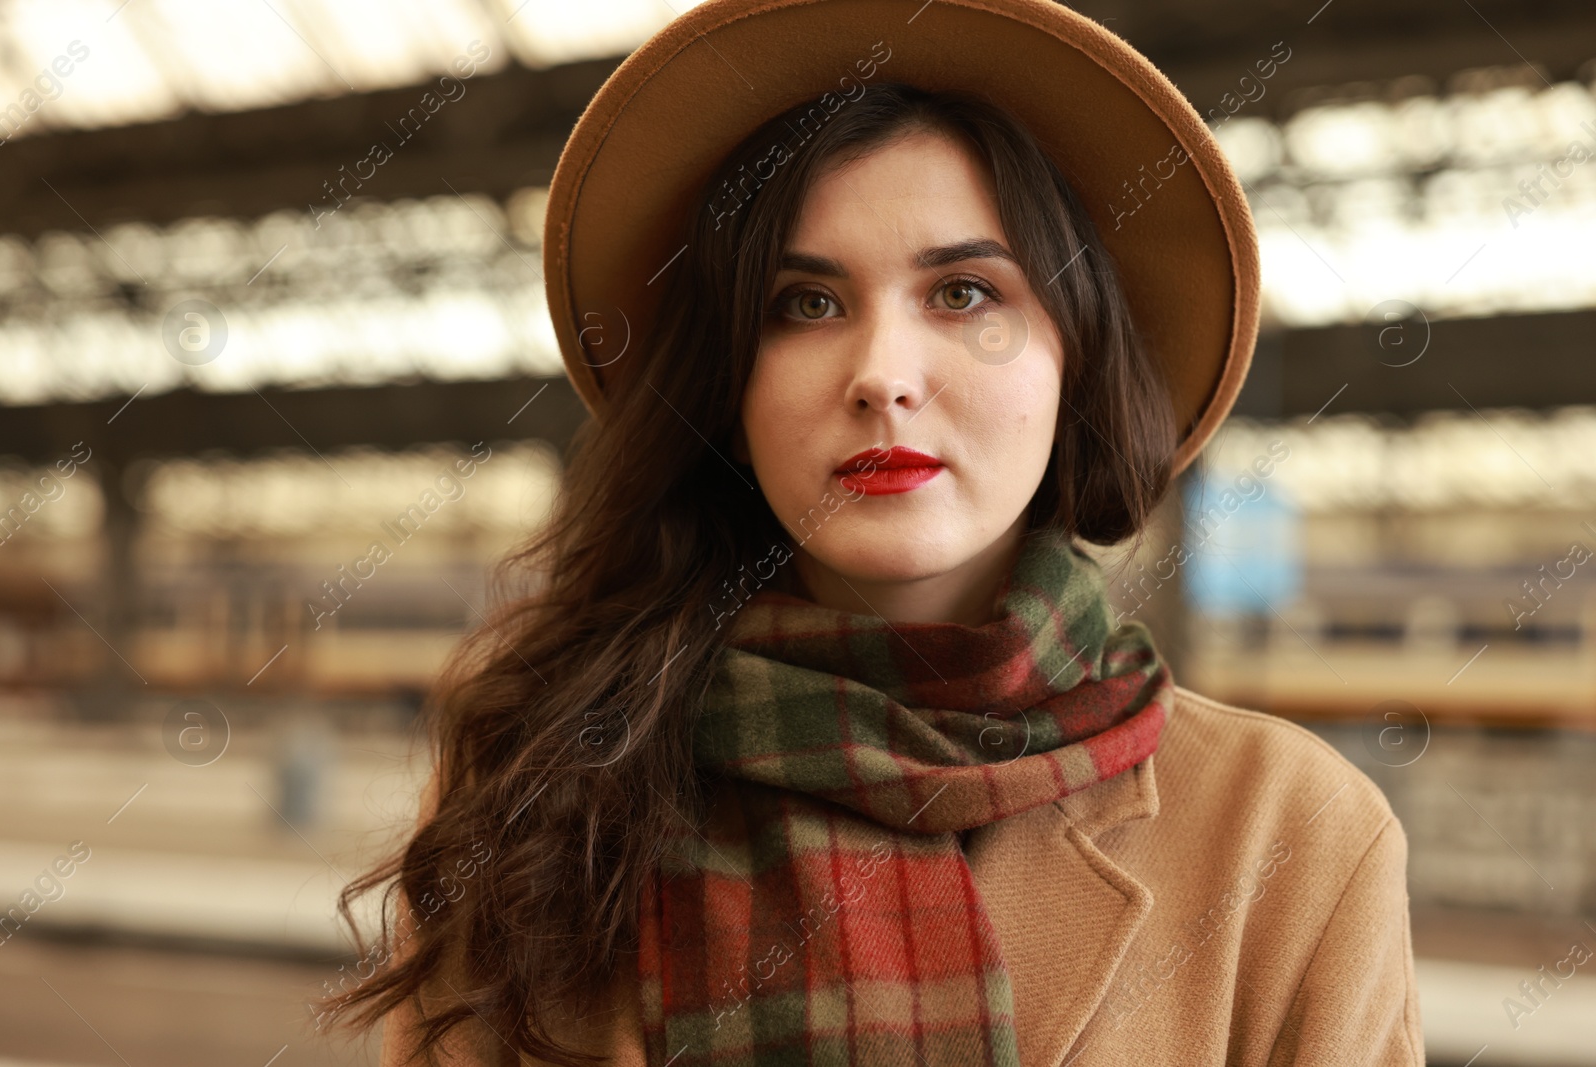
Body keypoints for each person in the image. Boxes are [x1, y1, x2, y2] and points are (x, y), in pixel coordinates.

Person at [321, 0, 1423, 1063]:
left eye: (962, 293)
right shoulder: (538, 783)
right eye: (804, 305)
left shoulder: (1293, 834)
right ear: (728, 393)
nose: (882, 377)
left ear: (1072, 358)